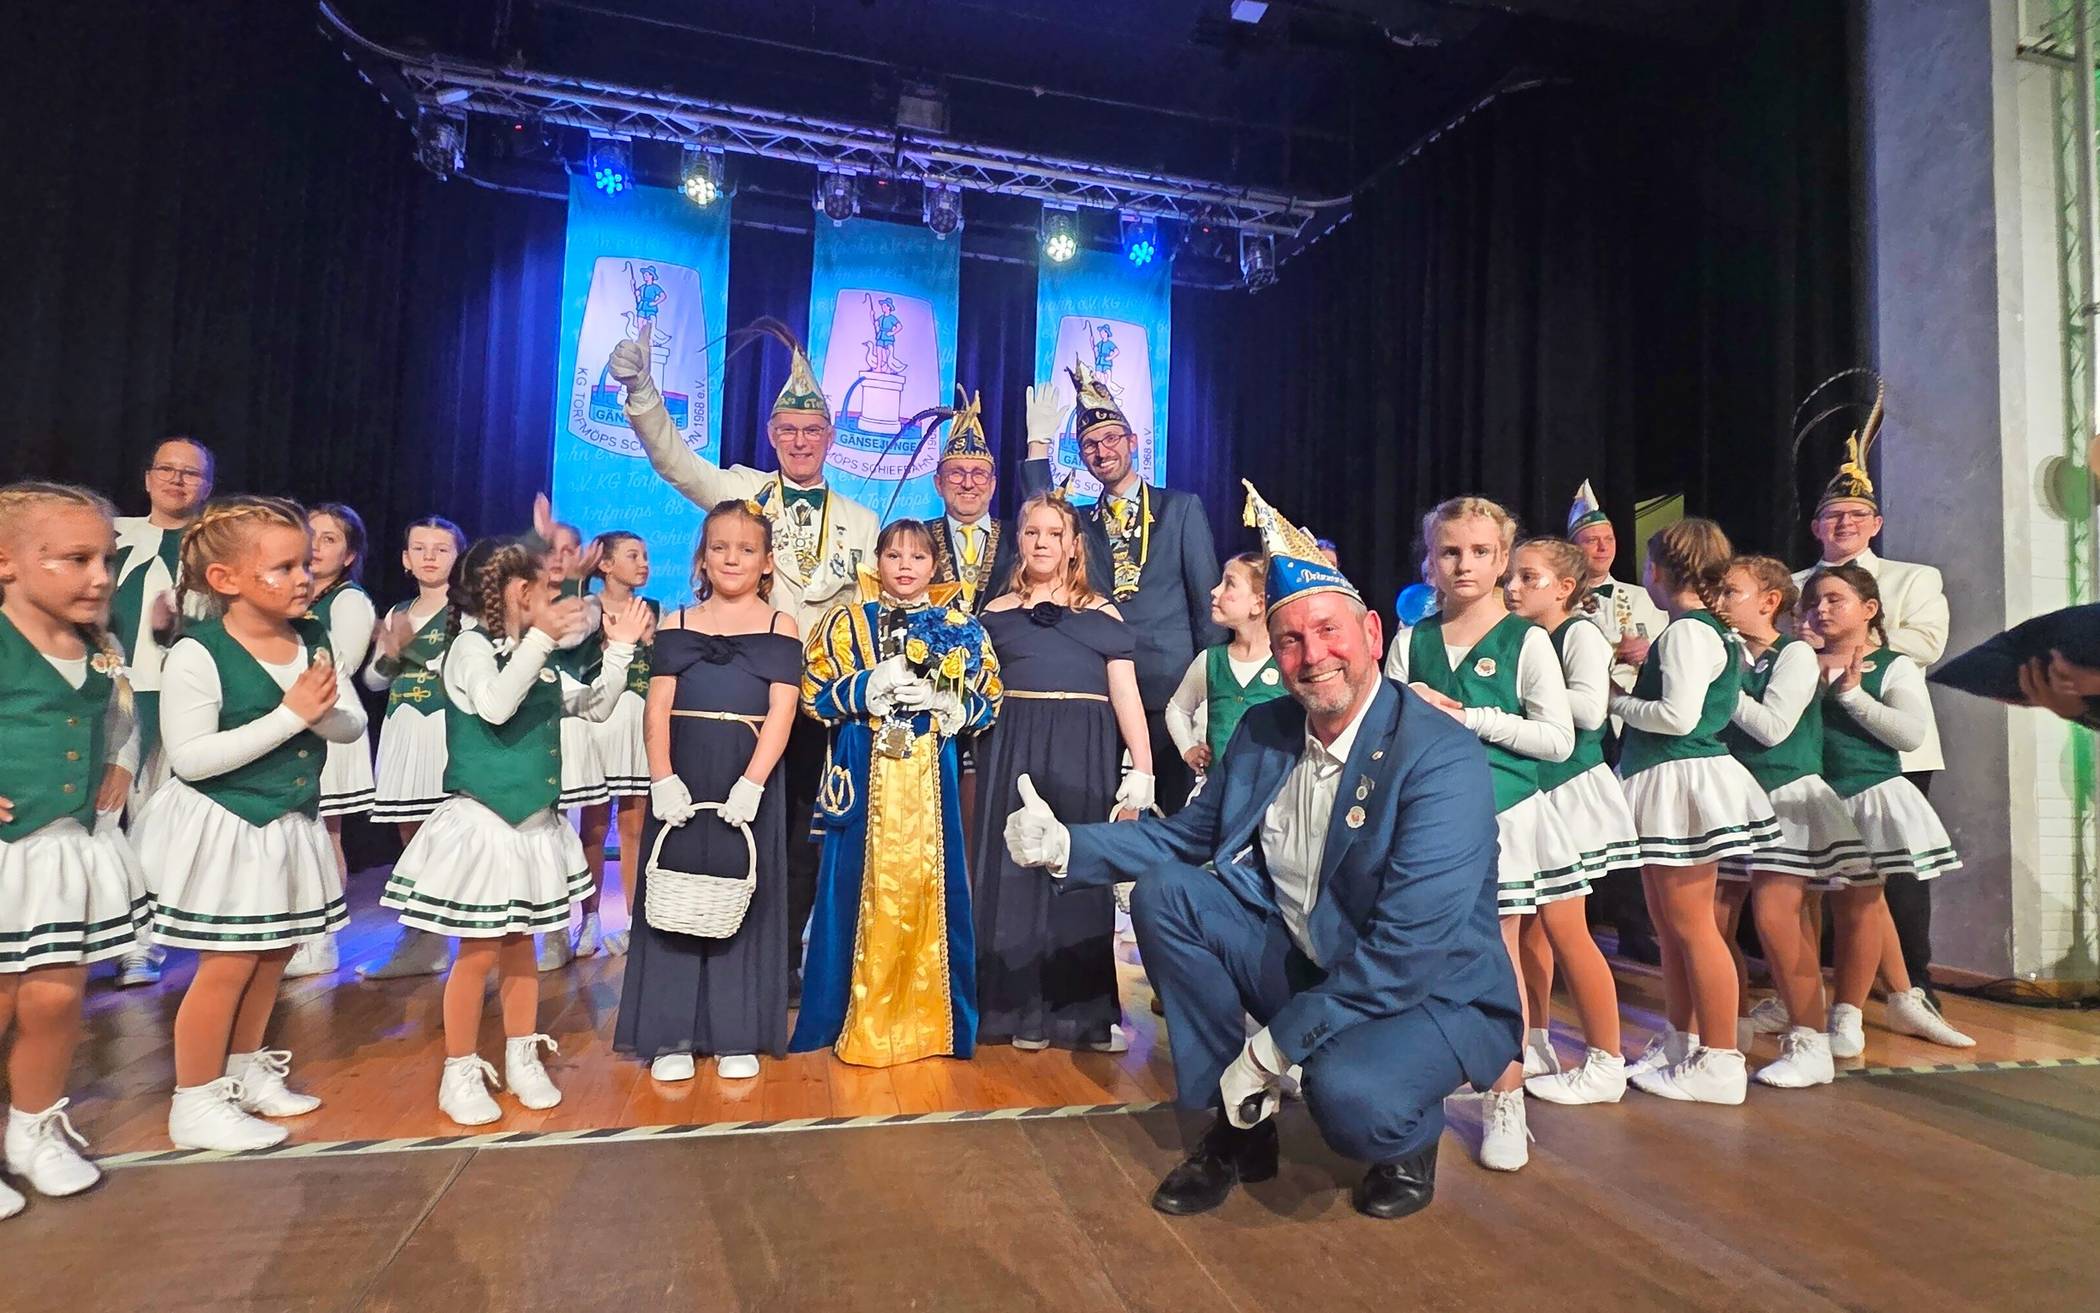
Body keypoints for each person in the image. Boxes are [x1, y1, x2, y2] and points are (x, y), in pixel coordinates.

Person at [1003, 484, 1519, 1221]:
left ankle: (1409, 1133)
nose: (1315, 655)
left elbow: (1407, 951)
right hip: (1317, 957)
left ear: (1372, 633)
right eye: (1291, 639)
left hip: (1430, 991)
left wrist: (1271, 1050)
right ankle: (1233, 1133)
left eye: (1330, 631)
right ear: (1273, 654)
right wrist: (1066, 845)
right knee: (1167, 893)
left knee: (1348, 1095)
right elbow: (1187, 840)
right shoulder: (1267, 729)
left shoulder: (1439, 757)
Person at [611, 319, 880, 976]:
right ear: (771, 436)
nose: (799, 441)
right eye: (787, 430)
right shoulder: (741, 491)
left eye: (811, 431)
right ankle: (723, 950)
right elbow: (674, 461)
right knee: (736, 816)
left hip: (823, 704)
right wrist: (644, 390)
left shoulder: (863, 521)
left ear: (831, 439)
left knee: (808, 835)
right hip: (744, 695)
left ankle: (784, 960)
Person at [380, 535, 647, 1125]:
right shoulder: (468, 650)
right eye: (546, 588)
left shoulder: (536, 653)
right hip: (483, 825)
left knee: (521, 949)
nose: (554, 598)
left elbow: (595, 707)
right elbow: (497, 706)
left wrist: (621, 652)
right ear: (517, 592)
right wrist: (543, 640)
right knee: (476, 955)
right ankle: (460, 1067)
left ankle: (522, 1054)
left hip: (532, 827)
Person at [129, 497, 367, 1151]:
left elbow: (350, 721)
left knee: (272, 955)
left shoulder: (312, 638)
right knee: (229, 964)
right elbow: (193, 758)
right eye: (283, 566)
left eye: (307, 563)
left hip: (287, 822)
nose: (303, 576)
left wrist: (322, 713)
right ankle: (195, 1099)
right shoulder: (197, 653)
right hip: (226, 824)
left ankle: (243, 1069)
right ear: (225, 580)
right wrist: (292, 716)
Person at [1383, 497, 1579, 1171]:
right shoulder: (1413, 639)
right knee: (1416, 951)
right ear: (1429, 560)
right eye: (1449, 551)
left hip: (1506, 815)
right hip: (1429, 820)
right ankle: (1415, 1087)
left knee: (1495, 955)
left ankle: (1506, 1095)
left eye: (1477, 551)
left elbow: (1557, 740)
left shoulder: (1527, 641)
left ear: (1502, 558)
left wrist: (1471, 717)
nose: (1462, 563)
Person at [792, 521, 1002, 1067]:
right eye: (893, 554)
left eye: (917, 556)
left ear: (936, 567)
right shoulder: (843, 623)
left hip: (935, 781)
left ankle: (932, 1024)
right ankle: (848, 1018)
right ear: (877, 562)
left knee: (935, 889)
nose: (905, 565)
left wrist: (956, 707)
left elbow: (990, 698)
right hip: (864, 772)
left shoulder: (963, 627)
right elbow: (812, 696)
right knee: (851, 888)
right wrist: (868, 686)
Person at [0, 482, 148, 1218]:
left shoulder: (103, 646)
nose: (99, 576)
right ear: (7, 561)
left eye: (108, 559)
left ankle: (33, 1127)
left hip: (63, 844)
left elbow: (121, 717)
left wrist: (122, 759)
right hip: (5, 848)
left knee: (56, 996)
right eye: (76, 558)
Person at [619, 502, 800, 1082]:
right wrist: (661, 776)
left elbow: (782, 712)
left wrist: (753, 783)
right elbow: (658, 708)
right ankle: (671, 1033)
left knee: (740, 896)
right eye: (720, 546)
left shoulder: (780, 626)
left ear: (767, 562)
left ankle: (734, 1032)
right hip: (684, 772)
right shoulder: (673, 624)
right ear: (702, 556)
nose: (732, 557)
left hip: (747, 779)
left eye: (747, 549)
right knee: (675, 896)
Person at [1610, 519, 1780, 1105]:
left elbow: (1678, 718)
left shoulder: (1687, 633)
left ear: (1657, 570)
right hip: (1669, 777)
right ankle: (1682, 1042)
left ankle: (1721, 1058)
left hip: (1682, 779)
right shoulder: (1698, 630)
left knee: (1693, 928)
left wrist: (1619, 700)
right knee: (1671, 928)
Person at [972, 494, 1150, 1052]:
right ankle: (1015, 1010)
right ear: (1019, 541)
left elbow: (1126, 695)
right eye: (1032, 533)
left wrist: (1141, 768)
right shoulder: (995, 614)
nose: (1042, 542)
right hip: (1015, 744)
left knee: (1077, 871)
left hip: (1083, 746)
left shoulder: (1105, 613)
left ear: (1073, 545)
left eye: (1054, 533)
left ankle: (1084, 1015)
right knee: (1015, 871)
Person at [1791, 382, 1949, 1004]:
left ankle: (1913, 983)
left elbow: (1926, 644)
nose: (1845, 524)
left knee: (1897, 873)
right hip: (1817, 745)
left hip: (1891, 740)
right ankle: (1822, 985)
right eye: (1834, 516)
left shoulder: (1915, 577)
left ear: (1876, 524)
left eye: (1857, 516)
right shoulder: (1797, 584)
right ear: (1816, 526)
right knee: (1814, 871)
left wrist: (1847, 643)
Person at [1021, 360, 1222, 813]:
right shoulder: (1080, 522)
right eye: (1089, 444)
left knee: (1168, 815)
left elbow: (1206, 604)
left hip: (1171, 692)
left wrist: (1210, 694)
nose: (1101, 450)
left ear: (1132, 442)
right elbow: (1040, 516)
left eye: (1111, 438)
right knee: (1100, 809)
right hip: (1100, 688)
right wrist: (1037, 447)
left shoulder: (1181, 508)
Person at [1710, 556, 1873, 1088]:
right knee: (1712, 921)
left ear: (1769, 601)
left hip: (1784, 798)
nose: (1719, 602)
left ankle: (1810, 1039)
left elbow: (1774, 728)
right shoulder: (1729, 653)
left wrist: (1718, 687)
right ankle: (1724, 1032)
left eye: (1731, 591)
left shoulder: (1796, 653)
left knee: (1780, 918)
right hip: (1736, 802)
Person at [1801, 565, 1973, 1054]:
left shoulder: (1891, 665)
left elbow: (1909, 734)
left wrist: (1852, 696)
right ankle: (1878, 998)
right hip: (1810, 798)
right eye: (1813, 601)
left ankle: (1849, 1014)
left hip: (1866, 793)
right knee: (1805, 904)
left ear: (1869, 609)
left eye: (1835, 600)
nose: (1822, 609)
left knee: (1860, 904)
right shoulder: (1797, 661)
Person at [1502, 537, 1634, 1107]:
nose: (1512, 587)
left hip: (1571, 787)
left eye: (1528, 578)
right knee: (1530, 926)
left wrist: (1523, 691)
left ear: (1565, 588)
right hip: (1537, 792)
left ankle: (1607, 1059)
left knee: (1567, 927)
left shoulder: (1575, 632)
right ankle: (1536, 1041)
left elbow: (1590, 709)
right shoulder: (1525, 636)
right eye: (1510, 577)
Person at [108, 436, 215, 987]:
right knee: (106, 818)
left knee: (156, 822)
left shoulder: (213, 549)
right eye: (166, 470)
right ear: (148, 477)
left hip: (179, 698)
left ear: (207, 486)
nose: (176, 480)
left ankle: (142, 942)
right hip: (113, 694)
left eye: (190, 473)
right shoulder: (115, 535)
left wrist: (172, 631)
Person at [356, 517, 465, 981]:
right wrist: (391, 651)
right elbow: (374, 680)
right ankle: (422, 939)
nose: (429, 556)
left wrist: (417, 652)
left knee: (447, 837)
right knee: (410, 836)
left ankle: (449, 933)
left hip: (444, 729)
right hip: (403, 730)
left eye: (441, 549)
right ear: (405, 559)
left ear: (458, 559)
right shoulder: (398, 611)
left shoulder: (469, 611)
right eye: (419, 548)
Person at [1565, 479, 1665, 966]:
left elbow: (1662, 650)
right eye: (1591, 540)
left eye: (1608, 539)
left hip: (1626, 724)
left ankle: (1633, 927)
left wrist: (1645, 653)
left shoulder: (1639, 596)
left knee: (1625, 827)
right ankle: (1572, 929)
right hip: (1579, 723)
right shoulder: (1559, 599)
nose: (1602, 546)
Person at [283, 502, 376, 980]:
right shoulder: (292, 596)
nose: (316, 546)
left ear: (348, 554)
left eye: (329, 539)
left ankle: (323, 938)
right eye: (310, 535)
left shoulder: (349, 600)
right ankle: (298, 934)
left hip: (330, 721)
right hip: (294, 722)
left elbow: (340, 665)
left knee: (325, 833)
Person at [539, 519, 613, 970]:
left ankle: (587, 918)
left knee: (586, 829)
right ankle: (548, 927)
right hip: (532, 727)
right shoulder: (518, 602)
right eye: (549, 548)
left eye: (569, 550)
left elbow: (566, 635)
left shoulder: (587, 603)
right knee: (543, 828)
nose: (558, 557)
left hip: (572, 725)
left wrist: (573, 581)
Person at [586, 530, 657, 962]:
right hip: (599, 720)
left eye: (645, 554)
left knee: (634, 824)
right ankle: (588, 918)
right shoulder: (586, 611)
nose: (644, 562)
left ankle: (634, 921)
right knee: (592, 825)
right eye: (633, 555)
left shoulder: (655, 612)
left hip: (639, 721)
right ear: (606, 565)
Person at [1164, 552, 1288, 797]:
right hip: (1217, 794)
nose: (1214, 591)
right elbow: (1177, 709)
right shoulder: (1211, 661)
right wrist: (1188, 748)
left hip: (1272, 796)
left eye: (1229, 583)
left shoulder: (1284, 662)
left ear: (1258, 603)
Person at [927, 391, 1014, 614]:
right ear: (938, 484)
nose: (968, 483)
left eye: (979, 474)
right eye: (956, 473)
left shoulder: (1019, 539)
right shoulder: (917, 538)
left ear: (993, 485)